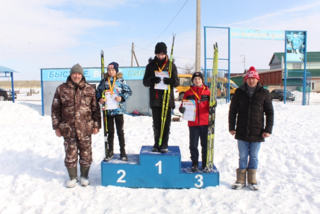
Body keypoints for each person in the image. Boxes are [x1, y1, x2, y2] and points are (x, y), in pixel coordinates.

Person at [51, 63, 101, 188]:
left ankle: (84, 176)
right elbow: (55, 109)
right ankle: (72, 177)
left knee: (86, 153)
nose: (76, 76)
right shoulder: (61, 89)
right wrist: (56, 127)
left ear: (82, 75)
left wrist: (96, 125)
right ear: (71, 74)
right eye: (74, 73)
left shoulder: (90, 89)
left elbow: (95, 108)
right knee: (70, 153)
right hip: (68, 128)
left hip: (85, 128)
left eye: (79, 74)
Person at [228, 66, 274, 191]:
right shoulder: (239, 92)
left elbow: (269, 112)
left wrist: (267, 130)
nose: (251, 81)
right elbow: (233, 111)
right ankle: (240, 180)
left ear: (257, 79)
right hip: (241, 130)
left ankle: (252, 180)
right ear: (246, 79)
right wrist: (231, 127)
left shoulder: (264, 93)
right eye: (249, 78)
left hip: (257, 131)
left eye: (254, 78)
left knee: (253, 156)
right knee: (243, 156)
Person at [143, 42, 179, 153]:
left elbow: (177, 82)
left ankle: (164, 144)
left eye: (162, 54)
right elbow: (145, 82)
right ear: (155, 54)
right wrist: (151, 80)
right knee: (157, 122)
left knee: (166, 122)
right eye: (158, 54)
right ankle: (156, 143)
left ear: (166, 54)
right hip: (156, 99)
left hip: (167, 99)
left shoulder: (171, 65)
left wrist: (172, 81)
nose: (160, 56)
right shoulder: (151, 66)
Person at [97, 62, 132, 161]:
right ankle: (110, 151)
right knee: (110, 132)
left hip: (119, 111)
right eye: (109, 70)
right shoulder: (104, 81)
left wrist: (122, 98)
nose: (111, 72)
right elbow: (98, 92)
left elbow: (129, 92)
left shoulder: (121, 81)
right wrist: (100, 99)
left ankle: (123, 152)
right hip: (107, 111)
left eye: (113, 70)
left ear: (116, 71)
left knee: (120, 132)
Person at [179, 72, 210, 172]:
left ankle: (205, 164)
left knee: (205, 145)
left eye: (199, 79)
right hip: (193, 123)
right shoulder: (188, 93)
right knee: (193, 145)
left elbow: (211, 106)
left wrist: (213, 106)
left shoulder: (208, 92)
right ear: (192, 81)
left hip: (205, 123)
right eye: (195, 79)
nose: (197, 81)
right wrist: (182, 109)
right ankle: (195, 164)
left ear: (202, 80)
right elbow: (182, 105)